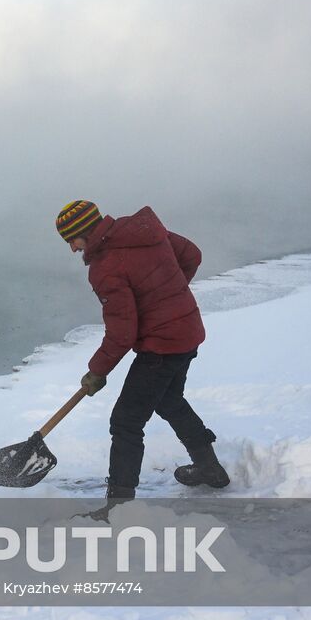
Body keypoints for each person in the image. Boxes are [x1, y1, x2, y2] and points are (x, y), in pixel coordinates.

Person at [54, 200, 230, 498]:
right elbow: (192, 255)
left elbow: (122, 333)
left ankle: (119, 505)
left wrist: (97, 371)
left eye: (72, 240)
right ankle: (208, 467)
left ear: (83, 232)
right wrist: (168, 299)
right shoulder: (142, 230)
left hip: (162, 345)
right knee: (168, 399)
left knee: (126, 421)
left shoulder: (105, 267)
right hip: (187, 330)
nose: (72, 248)